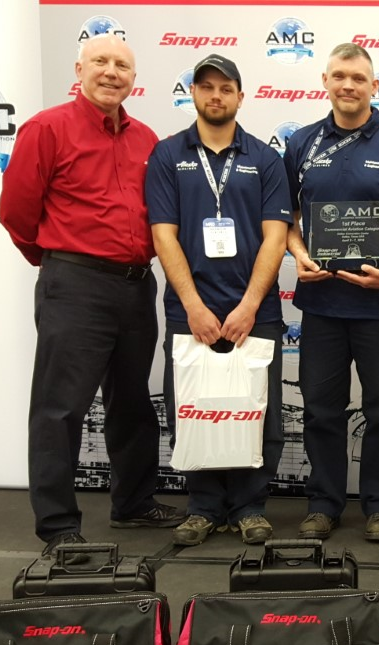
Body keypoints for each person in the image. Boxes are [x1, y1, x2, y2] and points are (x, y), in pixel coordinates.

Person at [0, 33, 185, 559]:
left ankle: (133, 502)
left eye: (122, 65)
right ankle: (57, 525)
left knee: (131, 403)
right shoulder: (47, 128)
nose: (111, 72)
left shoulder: (148, 138)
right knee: (61, 408)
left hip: (134, 284)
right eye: (100, 62)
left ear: (134, 78)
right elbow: (16, 211)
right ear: (79, 68)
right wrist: (58, 262)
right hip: (75, 283)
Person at [282, 43, 379, 543]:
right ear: (325, 81)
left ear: (375, 86)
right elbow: (284, 220)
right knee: (321, 408)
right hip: (322, 307)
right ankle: (324, 502)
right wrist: (299, 255)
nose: (348, 85)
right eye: (339, 76)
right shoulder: (301, 144)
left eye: (359, 77)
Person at [144, 55, 291, 546]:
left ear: (240, 96)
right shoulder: (168, 156)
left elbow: (276, 238)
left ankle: (250, 507)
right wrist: (193, 306)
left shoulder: (265, 159)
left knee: (258, 412)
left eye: (225, 87)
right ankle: (203, 507)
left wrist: (249, 305)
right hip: (192, 313)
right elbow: (163, 235)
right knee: (193, 411)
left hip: (257, 313)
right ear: (193, 94)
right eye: (206, 87)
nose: (215, 96)